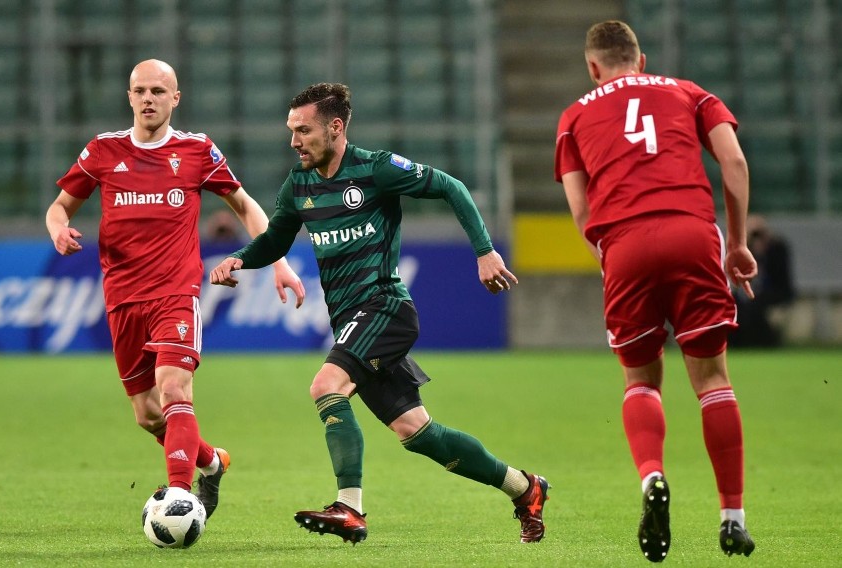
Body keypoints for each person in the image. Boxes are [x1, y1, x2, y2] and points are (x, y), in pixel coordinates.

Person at [209, 82, 549, 545]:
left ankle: (349, 507)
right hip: (352, 322)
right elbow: (276, 239)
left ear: (336, 127)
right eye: (291, 131)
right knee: (418, 433)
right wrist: (241, 259)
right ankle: (525, 488)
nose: (294, 141)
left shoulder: (377, 169)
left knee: (326, 386)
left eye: (303, 130)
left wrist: (485, 252)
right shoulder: (300, 184)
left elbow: (451, 186)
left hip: (385, 309)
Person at [46, 59, 306, 521]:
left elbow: (245, 206)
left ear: (175, 99)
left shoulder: (196, 151)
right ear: (129, 96)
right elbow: (59, 207)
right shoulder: (103, 151)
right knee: (148, 415)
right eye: (140, 90)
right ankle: (211, 461)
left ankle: (181, 497)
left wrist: (278, 262)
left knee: (174, 388)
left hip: (176, 293)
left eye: (158, 91)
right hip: (122, 297)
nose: (148, 99)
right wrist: (59, 229)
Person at [554, 21, 757, 561]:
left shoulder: (574, 115)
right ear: (641, 59)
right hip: (693, 233)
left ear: (593, 67)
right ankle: (732, 518)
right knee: (713, 379)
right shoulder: (689, 92)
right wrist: (735, 243)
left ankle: (651, 478)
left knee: (640, 379)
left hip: (625, 243)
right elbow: (734, 161)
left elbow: (580, 208)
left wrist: (611, 257)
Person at [729, 214, 795, 348]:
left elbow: (782, 280)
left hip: (772, 292)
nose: (756, 238)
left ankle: (765, 342)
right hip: (748, 293)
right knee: (736, 305)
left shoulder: (777, 249)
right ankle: (736, 343)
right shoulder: (741, 251)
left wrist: (763, 250)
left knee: (756, 306)